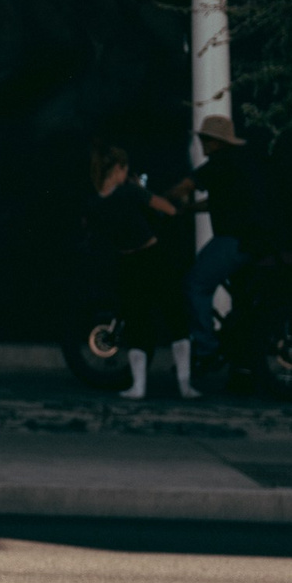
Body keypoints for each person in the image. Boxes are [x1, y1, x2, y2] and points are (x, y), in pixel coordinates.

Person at [161, 114, 276, 372]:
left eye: (204, 138)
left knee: (194, 285)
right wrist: (186, 210)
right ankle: (232, 350)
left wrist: (157, 200)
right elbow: (218, 201)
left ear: (215, 142)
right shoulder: (237, 166)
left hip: (235, 240)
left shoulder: (219, 164)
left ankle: (206, 349)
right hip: (251, 241)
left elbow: (185, 186)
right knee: (238, 299)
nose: (201, 142)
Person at [85, 144, 196, 400]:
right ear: (118, 169)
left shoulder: (95, 202)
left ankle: (138, 387)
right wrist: (142, 191)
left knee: (137, 321)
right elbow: (168, 209)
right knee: (174, 316)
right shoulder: (130, 192)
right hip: (153, 256)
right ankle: (185, 385)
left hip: (126, 263)